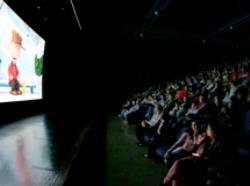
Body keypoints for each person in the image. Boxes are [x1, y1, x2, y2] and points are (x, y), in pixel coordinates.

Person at [8, 30, 24, 95]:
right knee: (14, 82)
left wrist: (18, 76)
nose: (14, 61)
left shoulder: (15, 66)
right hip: (11, 80)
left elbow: (17, 72)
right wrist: (11, 76)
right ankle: (13, 91)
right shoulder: (10, 66)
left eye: (15, 60)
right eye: (13, 60)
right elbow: (9, 71)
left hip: (15, 79)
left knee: (17, 81)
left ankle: (17, 90)